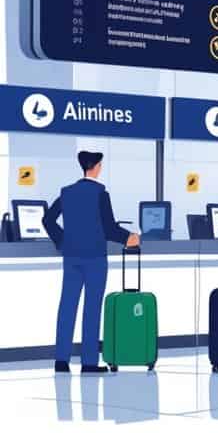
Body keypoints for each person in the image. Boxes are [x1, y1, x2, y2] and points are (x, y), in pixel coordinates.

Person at [43, 150, 140, 373]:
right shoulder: (100, 193)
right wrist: (129, 238)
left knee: (67, 306)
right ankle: (88, 362)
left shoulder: (67, 192)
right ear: (96, 167)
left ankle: (61, 360)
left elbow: (47, 220)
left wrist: (62, 241)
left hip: (71, 257)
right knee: (91, 308)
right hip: (95, 258)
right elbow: (109, 228)